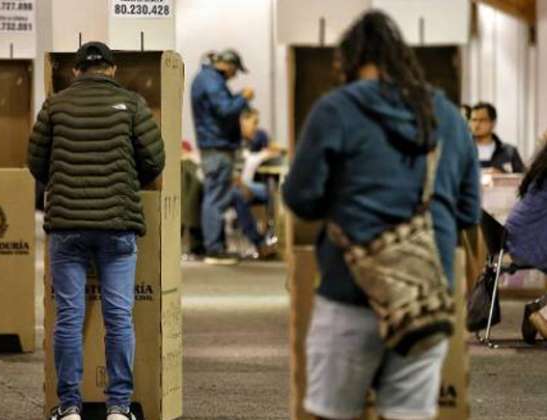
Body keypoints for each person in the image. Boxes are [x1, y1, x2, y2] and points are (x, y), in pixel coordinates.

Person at [282, 11, 480, 420]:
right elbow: (466, 211)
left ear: (349, 61)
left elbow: (300, 198)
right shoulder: (448, 118)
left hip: (350, 289)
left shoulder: (335, 110)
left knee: (332, 414)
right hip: (423, 297)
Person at [28, 41, 165, 420]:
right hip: (117, 224)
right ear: (113, 70)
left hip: (67, 225)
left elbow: (35, 162)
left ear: (75, 71)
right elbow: (155, 160)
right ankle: (119, 407)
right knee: (119, 316)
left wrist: (64, 182)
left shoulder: (54, 105)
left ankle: (69, 406)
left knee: (69, 317)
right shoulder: (133, 104)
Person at [190, 48, 254, 265]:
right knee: (216, 198)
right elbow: (225, 110)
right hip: (217, 148)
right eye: (235, 70)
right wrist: (242, 98)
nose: (234, 75)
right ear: (228, 64)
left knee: (214, 197)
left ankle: (214, 246)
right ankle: (214, 249)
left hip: (214, 147)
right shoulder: (211, 81)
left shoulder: (206, 79)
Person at [505, 145, 547, 343]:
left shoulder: (542, 165)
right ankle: (543, 315)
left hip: (520, 237)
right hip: (532, 241)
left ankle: (538, 307)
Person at [232, 108, 278, 258]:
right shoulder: (234, 140)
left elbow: (273, 148)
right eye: (254, 122)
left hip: (251, 183)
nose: (256, 126)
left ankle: (271, 228)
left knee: (273, 191)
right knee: (241, 194)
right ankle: (260, 240)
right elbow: (231, 174)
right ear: (243, 121)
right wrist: (243, 185)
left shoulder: (258, 136)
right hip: (237, 183)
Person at [469, 102, 525, 173]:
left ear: (493, 123)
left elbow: (522, 179)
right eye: (474, 120)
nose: (476, 125)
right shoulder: (461, 150)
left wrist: (502, 176)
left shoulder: (509, 152)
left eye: (482, 120)